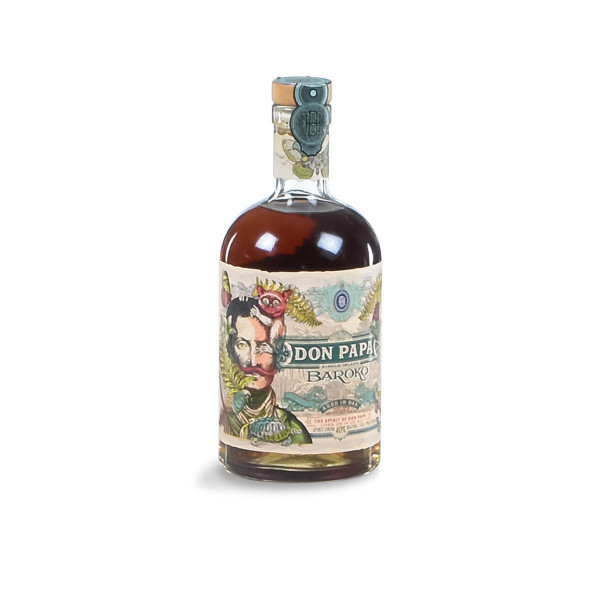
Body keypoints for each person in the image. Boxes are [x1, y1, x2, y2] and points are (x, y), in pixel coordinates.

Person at [224, 296, 312, 444]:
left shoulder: (294, 428)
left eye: (263, 346)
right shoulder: (227, 418)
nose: (253, 361)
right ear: (230, 348)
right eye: (242, 345)